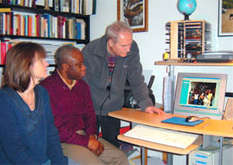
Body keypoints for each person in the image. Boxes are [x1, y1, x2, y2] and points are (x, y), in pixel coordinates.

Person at [40, 45, 129, 165]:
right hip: (62, 142)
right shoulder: (46, 88)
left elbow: (90, 114)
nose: (84, 68)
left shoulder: (82, 86)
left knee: (121, 158)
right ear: (65, 67)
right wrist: (86, 142)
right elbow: (56, 129)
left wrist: (92, 135)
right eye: (79, 65)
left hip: (85, 136)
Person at [82, 21, 165, 148]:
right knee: (89, 149)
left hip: (114, 108)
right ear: (110, 42)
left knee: (112, 148)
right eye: (124, 45)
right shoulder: (90, 51)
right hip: (90, 106)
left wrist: (146, 105)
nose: (128, 49)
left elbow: (136, 78)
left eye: (130, 44)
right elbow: (82, 83)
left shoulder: (132, 49)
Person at [0, 42, 68, 165]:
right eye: (41, 60)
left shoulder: (42, 93)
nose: (47, 63)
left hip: (44, 160)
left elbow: (51, 134)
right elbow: (14, 150)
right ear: (26, 65)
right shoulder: (4, 100)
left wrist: (60, 162)